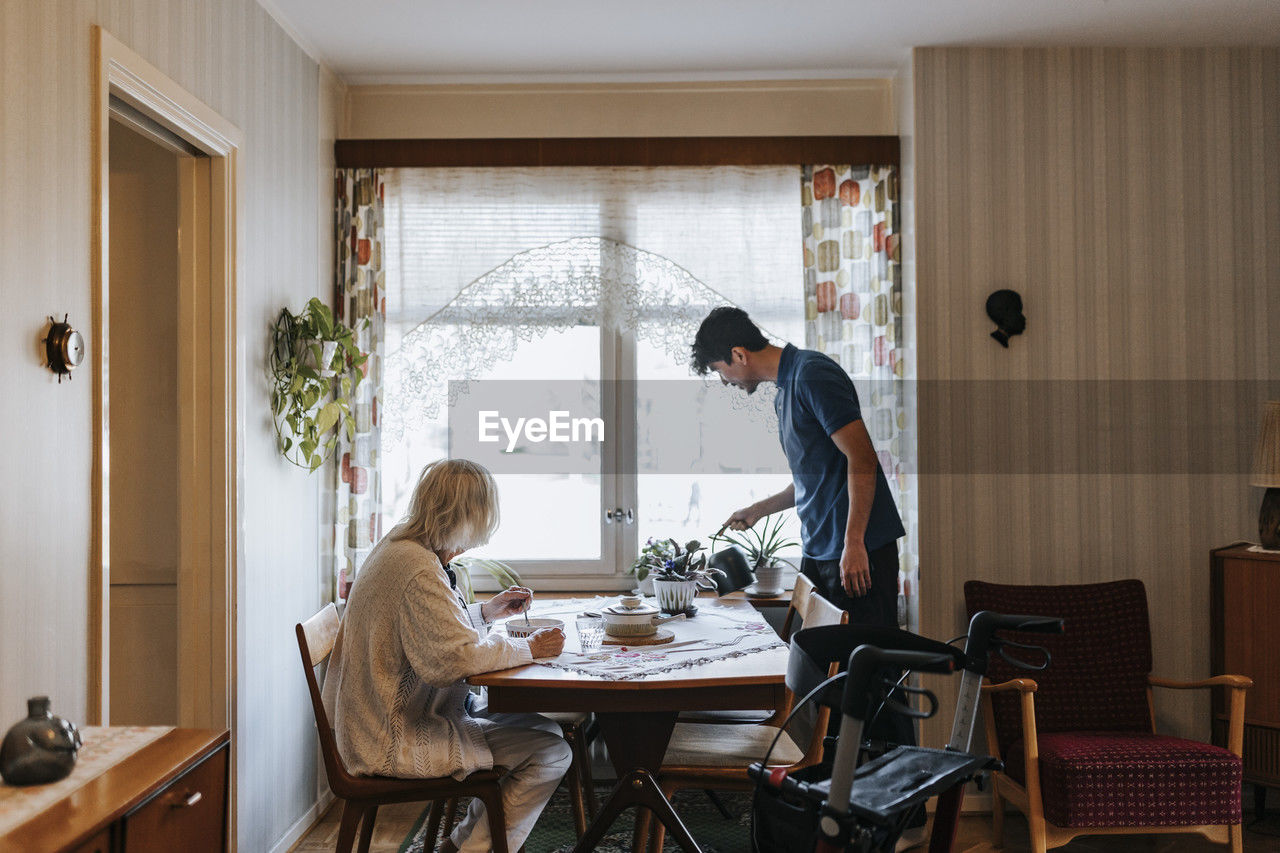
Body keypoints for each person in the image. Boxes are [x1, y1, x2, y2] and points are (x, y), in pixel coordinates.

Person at [322, 459, 571, 853]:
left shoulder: (400, 545)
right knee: (552, 752)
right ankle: (465, 850)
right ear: (465, 518)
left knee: (548, 733)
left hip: (374, 720)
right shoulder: (419, 569)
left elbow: (429, 634)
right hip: (391, 735)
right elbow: (452, 661)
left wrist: (486, 613)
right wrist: (531, 648)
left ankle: (464, 842)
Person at [690, 307, 912, 746]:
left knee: (875, 675)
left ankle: (903, 802)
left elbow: (862, 460)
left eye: (721, 372)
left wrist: (853, 543)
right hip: (823, 550)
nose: (726, 382)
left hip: (856, 551)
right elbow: (816, 474)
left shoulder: (813, 375)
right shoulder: (784, 390)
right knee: (832, 679)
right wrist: (759, 508)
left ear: (738, 354)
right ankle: (838, 789)